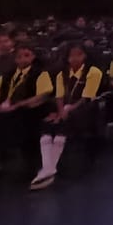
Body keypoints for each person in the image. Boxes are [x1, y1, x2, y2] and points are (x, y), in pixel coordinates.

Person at [0, 44, 53, 191]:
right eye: (19, 56)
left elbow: (42, 95)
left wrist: (19, 104)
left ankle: (33, 168)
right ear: (15, 59)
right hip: (4, 110)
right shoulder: (6, 76)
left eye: (26, 55)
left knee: (16, 120)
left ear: (33, 57)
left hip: (27, 110)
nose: (23, 59)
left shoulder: (40, 74)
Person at [31, 44, 104, 190]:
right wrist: (60, 111)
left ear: (85, 56)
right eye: (71, 55)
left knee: (64, 125)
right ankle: (48, 168)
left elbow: (86, 97)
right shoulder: (62, 74)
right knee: (47, 123)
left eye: (79, 55)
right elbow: (59, 97)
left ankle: (49, 169)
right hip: (65, 109)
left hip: (86, 107)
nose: (75, 58)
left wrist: (68, 110)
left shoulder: (93, 71)